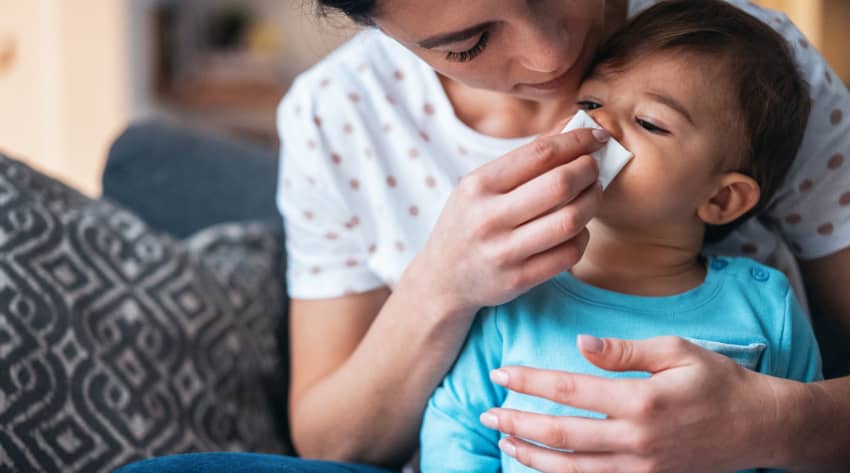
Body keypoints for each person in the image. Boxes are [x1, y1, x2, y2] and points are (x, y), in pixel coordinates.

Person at [118, 0, 850, 472]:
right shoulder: (337, 116)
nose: (552, 58)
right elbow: (336, 444)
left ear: (727, 196)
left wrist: (773, 423)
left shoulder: (739, 63)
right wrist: (444, 284)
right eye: (470, 43)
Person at [419, 2, 821, 471]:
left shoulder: (765, 307)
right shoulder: (518, 297)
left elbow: (802, 451)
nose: (599, 127)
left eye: (649, 123)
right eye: (590, 104)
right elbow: (458, 427)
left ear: (723, 199)